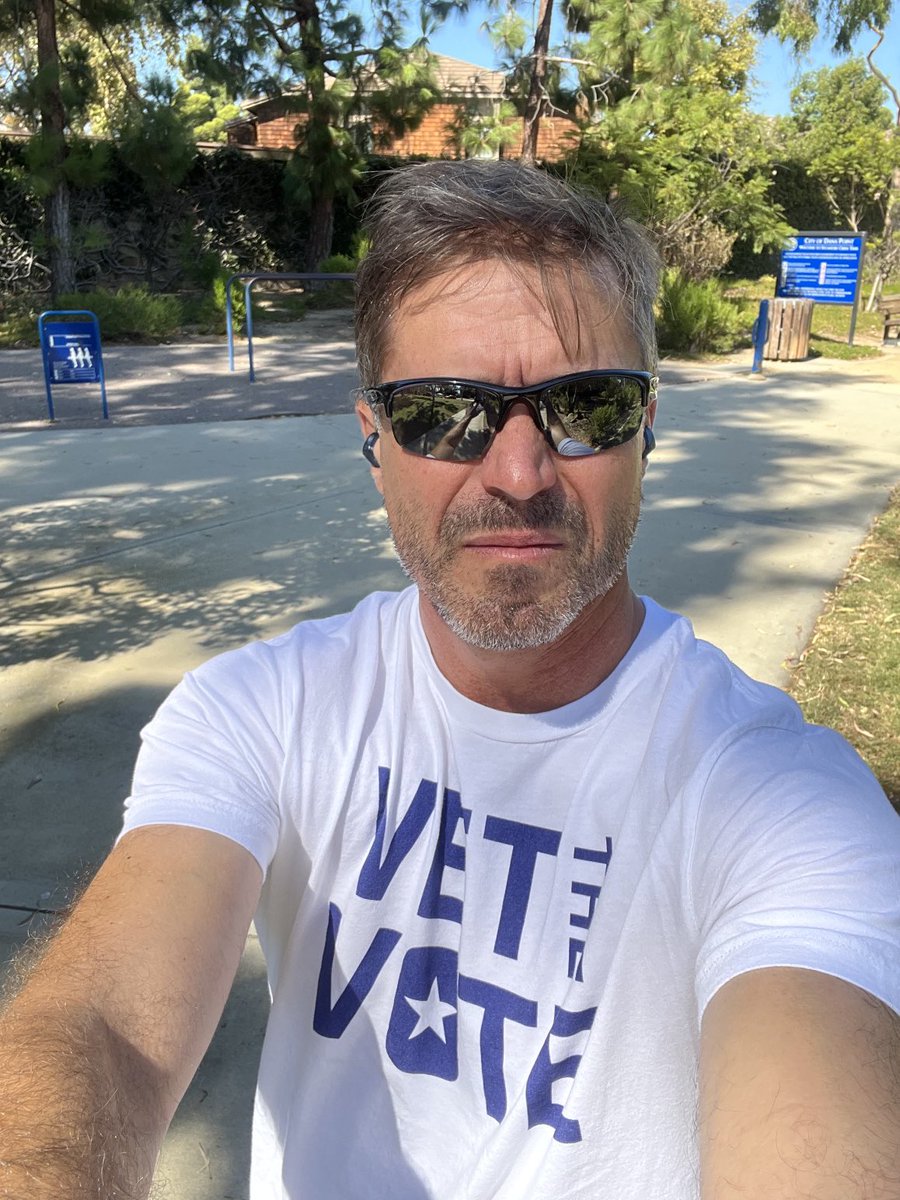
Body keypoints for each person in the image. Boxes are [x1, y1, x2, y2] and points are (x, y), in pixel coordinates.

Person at [1, 160, 898, 1200]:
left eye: (588, 404)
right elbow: (100, 1027)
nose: (518, 474)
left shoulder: (786, 804)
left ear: (648, 425)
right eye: (442, 413)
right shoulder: (260, 711)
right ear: (372, 436)